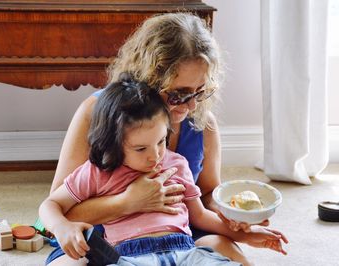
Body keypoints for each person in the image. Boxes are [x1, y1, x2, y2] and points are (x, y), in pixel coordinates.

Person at [49, 13, 279, 265]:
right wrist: (129, 201)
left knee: (223, 251)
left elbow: (207, 194)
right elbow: (61, 211)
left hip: (178, 232)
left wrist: (234, 217)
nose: (191, 105)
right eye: (179, 93)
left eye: (199, 91)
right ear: (148, 79)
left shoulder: (202, 121)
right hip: (103, 234)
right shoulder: (99, 114)